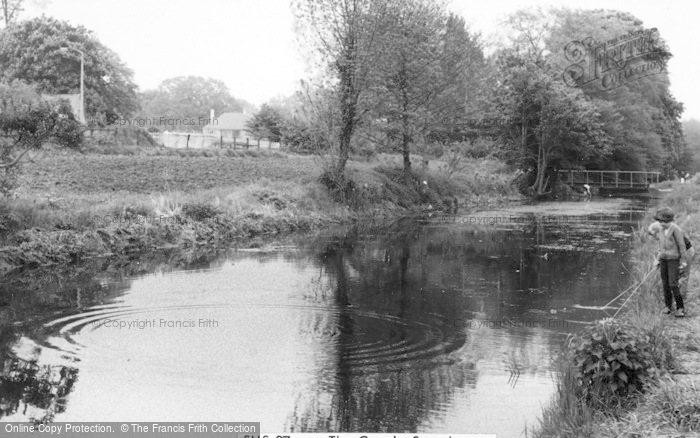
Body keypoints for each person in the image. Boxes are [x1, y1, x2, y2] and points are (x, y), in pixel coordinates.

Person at [648, 207, 689, 317]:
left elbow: (682, 246)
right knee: (665, 284)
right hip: (664, 260)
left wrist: (683, 261)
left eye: (661, 221)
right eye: (659, 221)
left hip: (673, 260)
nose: (660, 224)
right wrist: (657, 259)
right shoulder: (661, 229)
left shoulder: (676, 229)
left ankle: (680, 308)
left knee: (673, 284)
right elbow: (661, 247)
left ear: (668, 220)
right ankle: (668, 307)